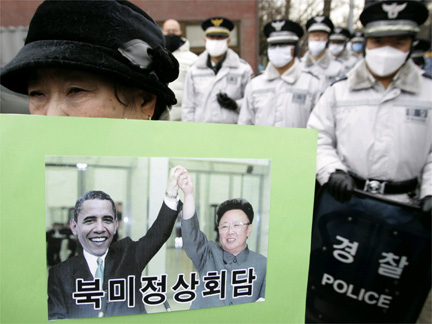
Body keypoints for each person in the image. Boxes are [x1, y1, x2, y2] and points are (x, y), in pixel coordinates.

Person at [0, 0, 179, 120]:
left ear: (144, 102)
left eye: (76, 90)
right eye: (37, 94)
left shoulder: (176, 174)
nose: (52, 115)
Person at [47, 166, 184, 319]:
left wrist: (171, 193)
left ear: (115, 226)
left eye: (107, 220)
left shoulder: (128, 254)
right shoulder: (60, 274)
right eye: (90, 221)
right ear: (74, 227)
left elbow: (158, 234)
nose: (99, 229)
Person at [177, 169, 266, 309]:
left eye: (236, 225)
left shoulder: (263, 264)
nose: (230, 231)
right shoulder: (208, 254)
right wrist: (188, 194)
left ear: (249, 229)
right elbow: (190, 233)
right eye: (224, 226)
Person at [238, 19, 321, 127]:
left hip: (297, 144)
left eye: (283, 45)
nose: (277, 49)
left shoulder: (312, 84)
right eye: (273, 45)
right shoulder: (255, 85)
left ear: (295, 48)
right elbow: (245, 124)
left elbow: (319, 126)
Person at [181, 16, 253, 123]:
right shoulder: (194, 70)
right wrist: (191, 134)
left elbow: (252, 102)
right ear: (205, 41)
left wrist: (235, 104)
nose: (215, 41)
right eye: (212, 37)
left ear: (228, 41)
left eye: (220, 37)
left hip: (233, 133)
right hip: (203, 133)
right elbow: (188, 106)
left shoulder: (243, 69)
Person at [162, 19, 198, 121]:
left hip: (184, 119)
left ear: (180, 32)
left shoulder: (193, 59)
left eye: (174, 31)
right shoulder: (155, 56)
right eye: (168, 31)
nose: (171, 34)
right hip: (160, 118)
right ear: (162, 32)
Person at [300, 16, 345, 91]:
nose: (317, 39)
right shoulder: (299, 65)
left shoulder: (338, 67)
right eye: (314, 35)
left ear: (328, 39)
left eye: (321, 35)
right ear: (308, 38)